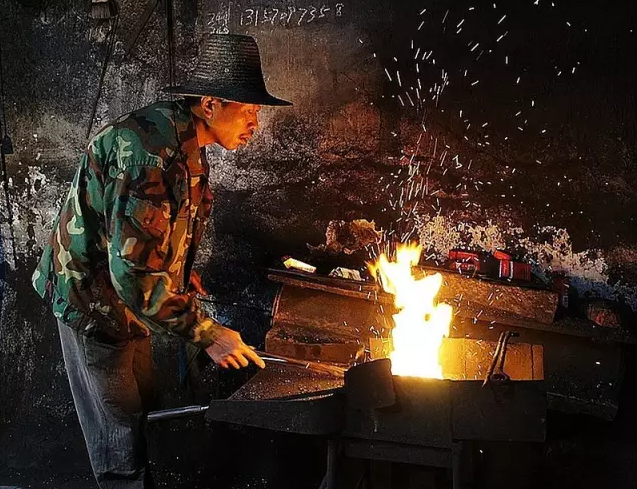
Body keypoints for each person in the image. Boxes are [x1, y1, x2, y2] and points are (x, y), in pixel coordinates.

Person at [31, 33, 292, 488]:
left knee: (144, 415)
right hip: (93, 303)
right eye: (248, 110)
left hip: (129, 303)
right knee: (120, 438)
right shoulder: (148, 155)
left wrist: (181, 274)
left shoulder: (186, 141)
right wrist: (208, 333)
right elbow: (131, 272)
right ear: (210, 104)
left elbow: (161, 227)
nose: (255, 122)